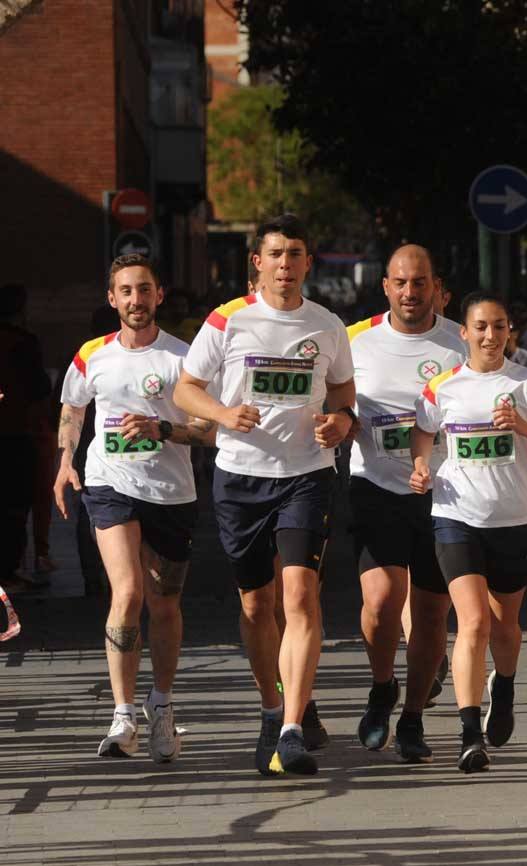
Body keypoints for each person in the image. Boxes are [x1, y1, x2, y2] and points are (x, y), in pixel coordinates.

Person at [174, 214, 357, 776]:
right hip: (241, 476)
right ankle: (271, 707)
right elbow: (186, 389)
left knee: (300, 597)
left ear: (308, 261)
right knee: (257, 605)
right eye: (275, 254)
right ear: (258, 262)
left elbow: (346, 392)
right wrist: (225, 413)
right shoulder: (228, 320)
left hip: (307, 474)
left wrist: (341, 421)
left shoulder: (327, 324)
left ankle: (293, 729)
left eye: (295, 253)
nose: (285, 264)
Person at [52, 254, 216, 761]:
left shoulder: (184, 360)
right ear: (112, 298)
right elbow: (73, 408)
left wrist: (162, 429)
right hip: (109, 485)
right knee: (125, 593)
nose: (135, 300)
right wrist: (66, 461)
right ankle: (123, 715)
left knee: (163, 604)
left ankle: (161, 707)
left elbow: (209, 432)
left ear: (159, 295)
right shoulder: (92, 355)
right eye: (126, 291)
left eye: (144, 290)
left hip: (170, 493)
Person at [410, 292, 527, 773]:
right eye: (480, 327)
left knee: (505, 626)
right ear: (464, 332)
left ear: (510, 332)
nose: (490, 335)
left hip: (516, 520)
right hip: (456, 516)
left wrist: (524, 427)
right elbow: (423, 431)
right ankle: (468, 733)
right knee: (474, 623)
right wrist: (422, 464)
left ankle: (502, 686)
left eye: (499, 326)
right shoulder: (444, 387)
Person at [347, 245, 465, 762]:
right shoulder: (354, 341)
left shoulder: (463, 341)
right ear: (386, 287)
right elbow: (332, 402)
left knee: (432, 613)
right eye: (401, 283)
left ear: (436, 286)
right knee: (380, 603)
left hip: (443, 495)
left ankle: (413, 717)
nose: (410, 293)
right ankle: (381, 685)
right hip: (375, 486)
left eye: (420, 283)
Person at [0, 283, 52, 590]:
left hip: (14, 429)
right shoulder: (22, 342)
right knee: (15, 505)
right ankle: (7, 570)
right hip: (15, 431)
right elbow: (38, 389)